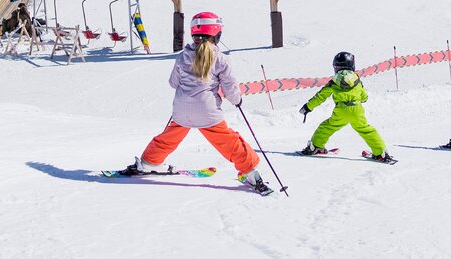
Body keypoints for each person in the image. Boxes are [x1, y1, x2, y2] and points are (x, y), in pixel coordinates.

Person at [126, 12, 271, 194]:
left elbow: (173, 82)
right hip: (207, 112)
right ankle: (250, 171)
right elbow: (230, 87)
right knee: (229, 141)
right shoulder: (220, 58)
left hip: (181, 110)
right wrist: (237, 100)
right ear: (216, 34)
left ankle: (149, 163)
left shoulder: (183, 56)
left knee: (168, 137)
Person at [299, 52, 392, 162]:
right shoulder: (356, 80)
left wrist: (307, 107)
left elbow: (320, 97)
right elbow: (364, 96)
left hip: (341, 111)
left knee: (326, 127)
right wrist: (362, 99)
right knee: (366, 130)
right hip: (357, 110)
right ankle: (380, 152)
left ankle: (316, 146)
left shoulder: (334, 82)